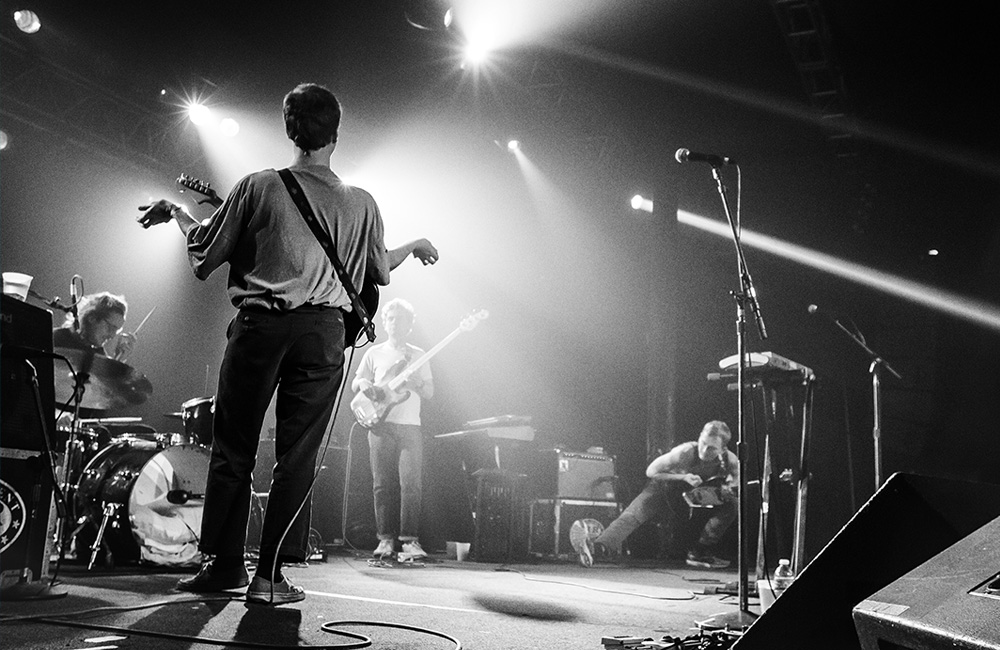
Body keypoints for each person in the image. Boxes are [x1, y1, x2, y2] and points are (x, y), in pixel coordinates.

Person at [136, 83, 438, 604]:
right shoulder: (362, 202)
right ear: (336, 135)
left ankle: (226, 566)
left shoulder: (260, 186)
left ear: (288, 129)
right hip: (323, 335)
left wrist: (179, 214)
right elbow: (381, 270)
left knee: (234, 450)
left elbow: (205, 255)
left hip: (261, 328)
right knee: (297, 458)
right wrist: (414, 243)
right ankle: (270, 579)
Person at [581, 420, 738, 569]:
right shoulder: (683, 452)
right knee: (633, 515)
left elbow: (737, 478)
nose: (704, 451)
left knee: (732, 504)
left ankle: (700, 551)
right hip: (664, 486)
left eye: (711, 448)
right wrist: (682, 477)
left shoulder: (730, 459)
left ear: (723, 449)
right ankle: (597, 548)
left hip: (692, 495)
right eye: (703, 443)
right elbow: (651, 471)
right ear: (699, 438)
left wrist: (729, 486)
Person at [351, 298, 433, 559]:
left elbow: (430, 392)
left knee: (411, 484)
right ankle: (385, 539)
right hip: (381, 425)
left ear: (410, 324)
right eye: (391, 318)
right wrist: (364, 384)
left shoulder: (419, 355)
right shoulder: (374, 353)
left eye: (401, 319)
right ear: (385, 322)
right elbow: (357, 382)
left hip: (410, 426)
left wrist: (417, 384)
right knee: (382, 484)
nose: (395, 323)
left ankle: (409, 541)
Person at [52, 292, 135, 362]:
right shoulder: (53, 338)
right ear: (92, 318)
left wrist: (118, 360)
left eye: (117, 330)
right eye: (111, 327)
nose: (112, 335)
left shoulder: (99, 355)